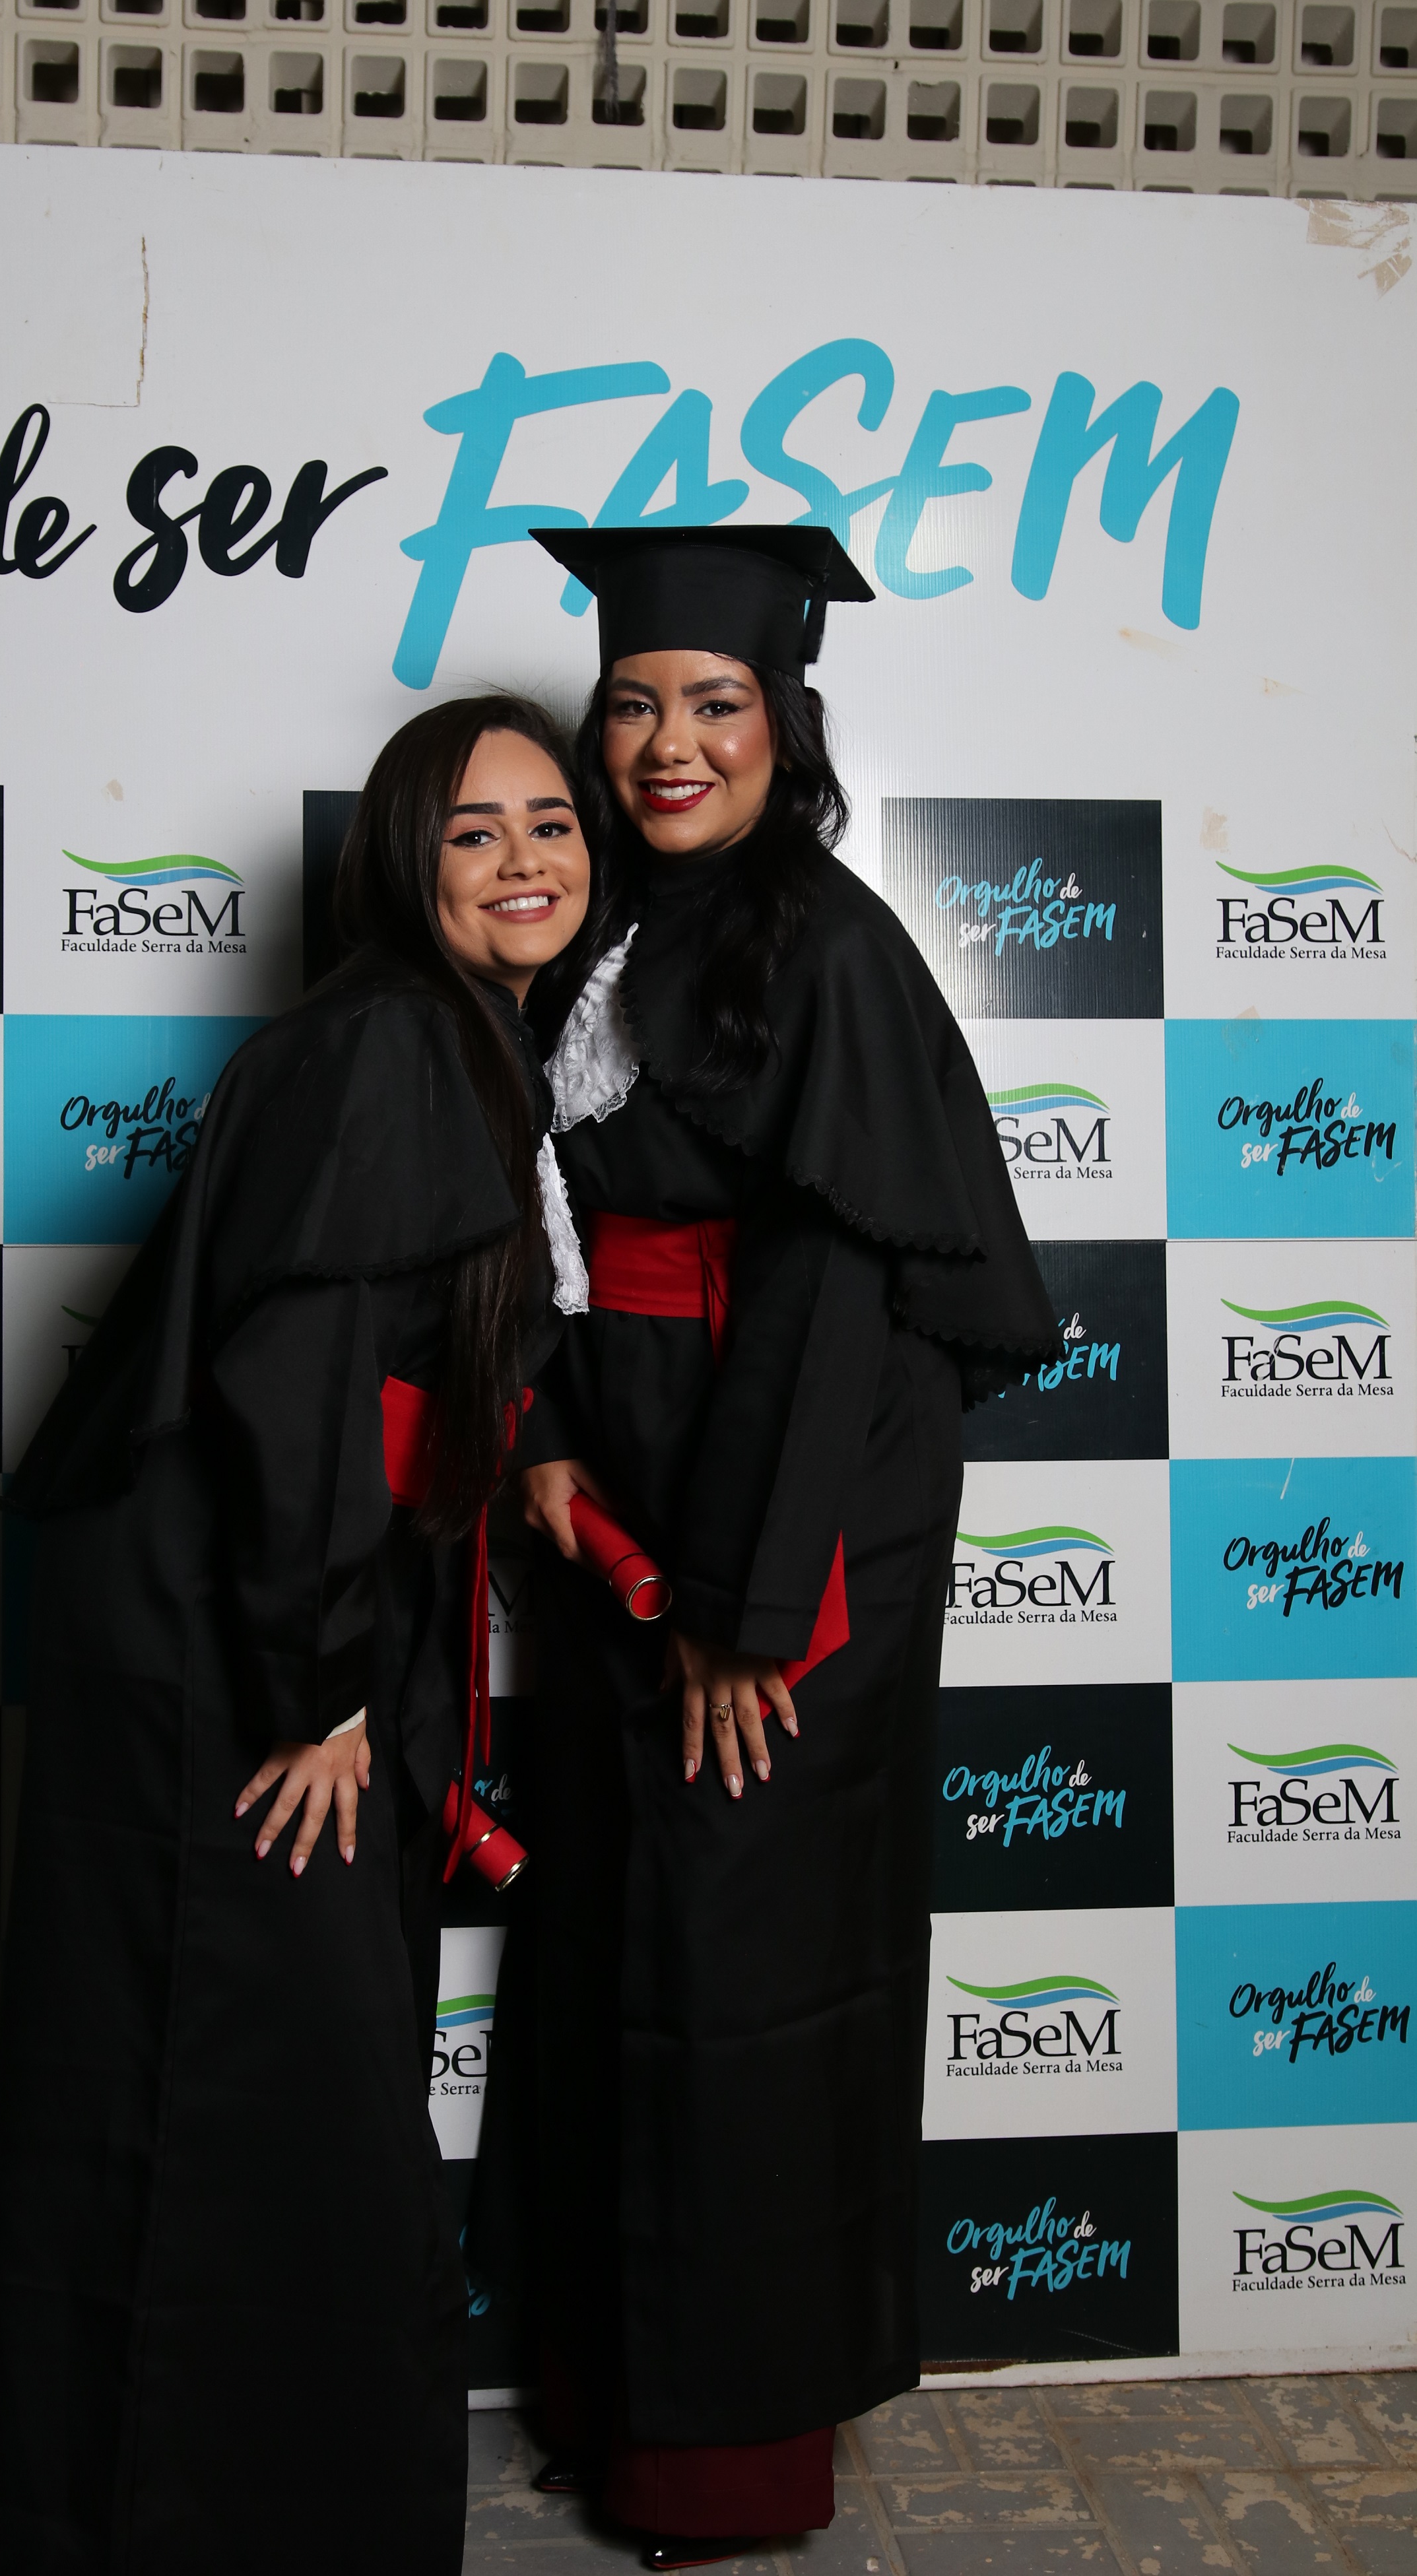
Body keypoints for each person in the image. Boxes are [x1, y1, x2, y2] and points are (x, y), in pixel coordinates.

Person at [0, 694, 591, 2576]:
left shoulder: (454, 1038)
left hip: (288, 1591)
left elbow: (401, 1347)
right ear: (401, 860)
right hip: (234, 1625)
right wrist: (316, 1689)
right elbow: (301, 1372)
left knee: (284, 2073)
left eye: (549, 822)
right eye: (472, 831)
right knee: (241, 2064)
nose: (524, 859)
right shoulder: (395, 1038)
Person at [478, 525, 1059, 2575]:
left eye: (712, 704)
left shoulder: (823, 942)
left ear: (781, 724)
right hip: (625, 1485)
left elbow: (827, 1302)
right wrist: (544, 1442)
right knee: (614, 1933)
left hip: (793, 1502)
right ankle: (601, 2395)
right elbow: (535, 1227)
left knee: (744, 1959)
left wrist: (742, 1611)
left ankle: (721, 2466)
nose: (667, 741)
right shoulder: (593, 922)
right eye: (633, 702)